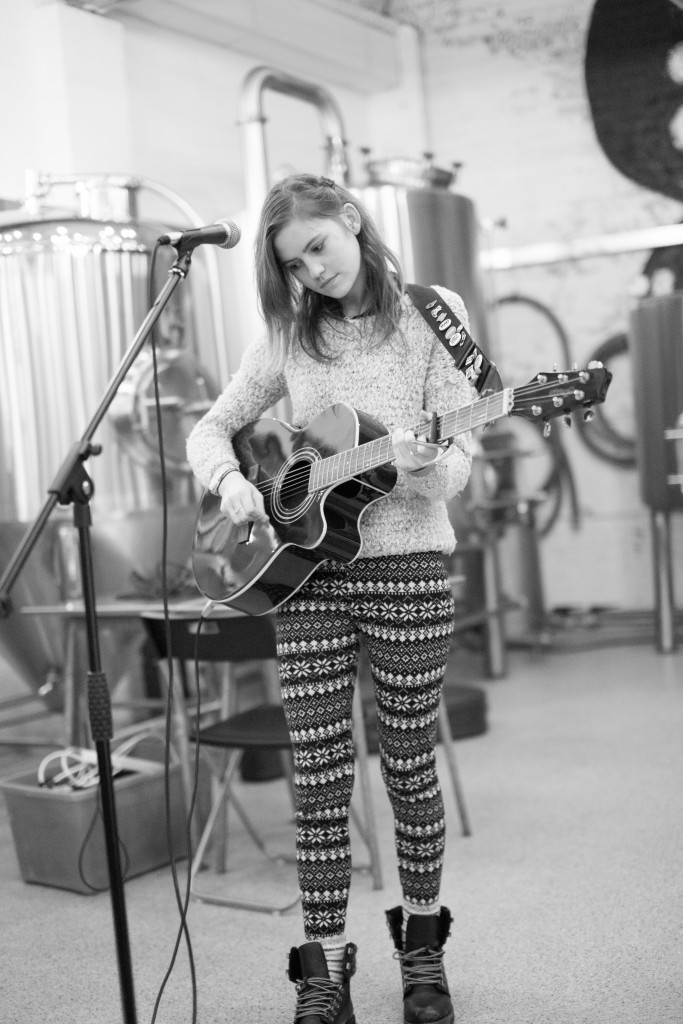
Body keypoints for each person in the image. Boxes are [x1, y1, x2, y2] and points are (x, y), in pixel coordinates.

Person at [186, 172, 475, 1024]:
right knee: (314, 780)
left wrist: (425, 463)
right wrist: (236, 484)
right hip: (306, 583)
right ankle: (323, 967)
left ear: (349, 220)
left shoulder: (432, 313)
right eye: (293, 265)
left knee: (409, 767)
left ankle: (421, 954)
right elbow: (209, 428)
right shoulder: (287, 337)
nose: (312, 272)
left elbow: (456, 467)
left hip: (409, 570)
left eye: (317, 247)